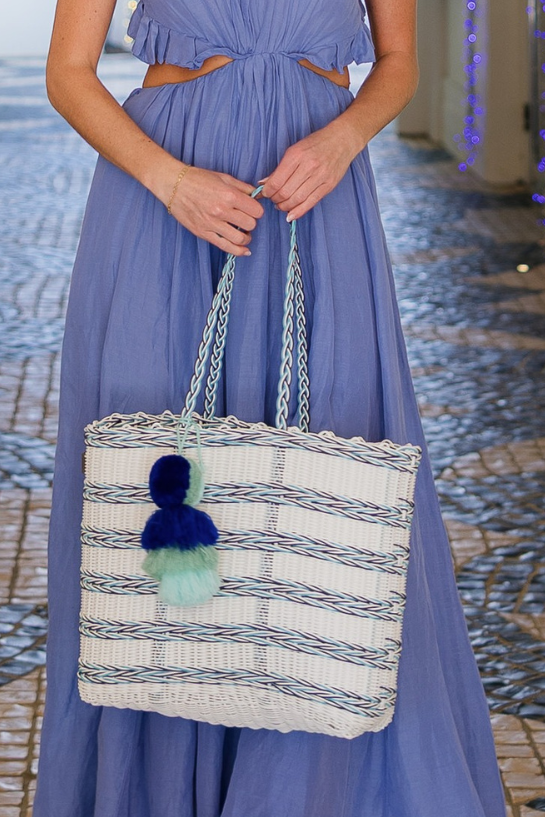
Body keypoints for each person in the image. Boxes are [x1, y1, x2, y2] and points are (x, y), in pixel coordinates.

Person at [34, 0, 507, 815]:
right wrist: (170, 180)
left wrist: (342, 139)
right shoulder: (165, 183)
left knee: (334, 484)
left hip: (314, 201)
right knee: (149, 471)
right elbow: (68, 73)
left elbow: (398, 60)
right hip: (161, 199)